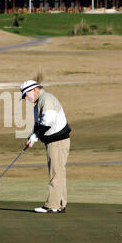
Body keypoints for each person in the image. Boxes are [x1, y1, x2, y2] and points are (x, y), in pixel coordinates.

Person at [20, 80, 71, 213]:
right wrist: (32, 137)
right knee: (58, 172)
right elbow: (39, 125)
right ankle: (60, 204)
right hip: (53, 141)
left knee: (56, 173)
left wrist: (35, 136)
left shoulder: (46, 99)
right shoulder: (38, 103)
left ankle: (52, 205)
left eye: (26, 94)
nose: (26, 98)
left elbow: (48, 121)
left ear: (34, 90)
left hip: (58, 141)